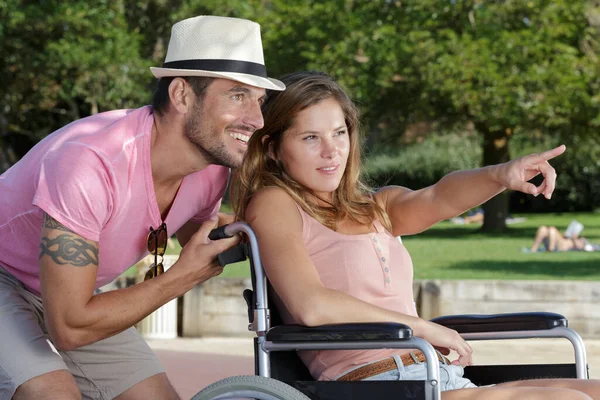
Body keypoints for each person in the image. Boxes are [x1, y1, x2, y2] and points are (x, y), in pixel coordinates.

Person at [232, 71, 600, 399]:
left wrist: (500, 175)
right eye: (310, 137)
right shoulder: (274, 204)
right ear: (274, 149)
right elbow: (312, 306)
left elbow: (438, 196)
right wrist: (423, 328)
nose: (332, 151)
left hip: (432, 374)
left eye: (339, 133)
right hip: (370, 382)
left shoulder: (376, 207)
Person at [0, 15, 284, 400]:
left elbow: (198, 237)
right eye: (237, 95)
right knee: (51, 393)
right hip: (8, 278)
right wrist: (179, 279)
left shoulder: (211, 168)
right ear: (182, 94)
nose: (257, 119)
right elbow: (70, 326)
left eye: (258, 100)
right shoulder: (90, 163)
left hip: (70, 295)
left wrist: (295, 223)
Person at [529, 221, 597, 253]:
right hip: (558, 241)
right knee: (542, 228)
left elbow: (580, 247)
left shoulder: (581, 241)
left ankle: (550, 249)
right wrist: (565, 235)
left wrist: (574, 238)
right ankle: (533, 249)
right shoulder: (568, 237)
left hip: (561, 246)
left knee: (552, 229)